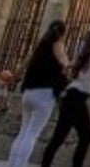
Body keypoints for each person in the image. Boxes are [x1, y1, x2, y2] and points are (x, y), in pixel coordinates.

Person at [41, 23, 90, 167]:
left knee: (59, 136)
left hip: (71, 95)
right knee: (86, 136)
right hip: (76, 97)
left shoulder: (88, 49)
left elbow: (70, 66)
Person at [8, 21, 70, 167]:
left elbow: (24, 64)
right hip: (45, 94)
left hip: (28, 91)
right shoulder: (58, 44)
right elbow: (64, 62)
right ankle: (20, 165)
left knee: (23, 131)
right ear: (63, 33)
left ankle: (12, 164)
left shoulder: (39, 45)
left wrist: (13, 76)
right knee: (32, 134)